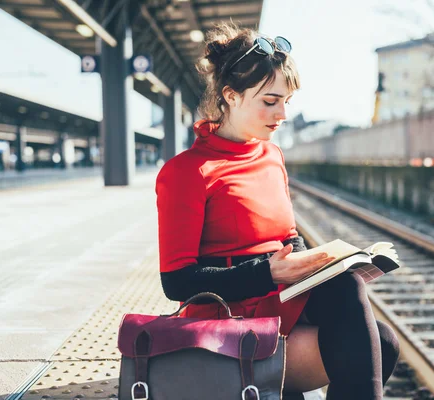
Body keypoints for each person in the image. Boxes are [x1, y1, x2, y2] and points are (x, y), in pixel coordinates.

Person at [156, 22, 400, 400]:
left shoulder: (271, 156)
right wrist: (267, 272)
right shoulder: (187, 172)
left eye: (286, 101)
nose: (282, 114)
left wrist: (315, 261)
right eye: (270, 101)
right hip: (228, 322)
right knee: (373, 337)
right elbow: (176, 282)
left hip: (280, 303)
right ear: (230, 96)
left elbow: (287, 236)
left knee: (378, 332)